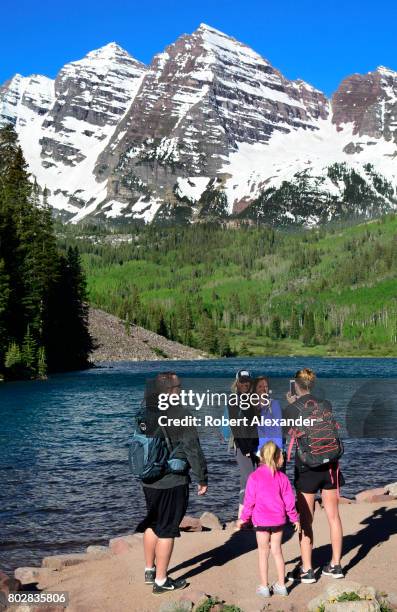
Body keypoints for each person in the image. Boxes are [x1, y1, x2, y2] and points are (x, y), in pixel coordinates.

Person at [135, 372, 208, 594]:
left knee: (153, 523)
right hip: (171, 480)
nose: (182, 391)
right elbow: (193, 449)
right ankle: (161, 581)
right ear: (171, 391)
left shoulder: (145, 411)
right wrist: (202, 477)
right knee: (167, 529)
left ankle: (149, 570)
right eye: (179, 387)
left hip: (148, 478)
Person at [285, 368, 344, 584]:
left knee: (306, 519)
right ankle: (336, 565)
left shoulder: (292, 408)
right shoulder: (326, 404)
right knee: (333, 516)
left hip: (307, 468)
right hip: (330, 465)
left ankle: (308, 570)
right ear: (312, 384)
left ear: (297, 386)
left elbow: (285, 433)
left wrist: (291, 404)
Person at [236, 441, 300, 598]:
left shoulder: (254, 477)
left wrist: (243, 518)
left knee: (263, 553)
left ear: (261, 457)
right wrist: (294, 518)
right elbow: (289, 501)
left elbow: (249, 501)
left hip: (261, 521)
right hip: (278, 520)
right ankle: (281, 585)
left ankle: (264, 587)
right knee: (277, 551)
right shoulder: (282, 477)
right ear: (278, 457)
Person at [228, 369, 259, 517]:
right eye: (242, 381)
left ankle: (249, 514)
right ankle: (244, 515)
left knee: (251, 479)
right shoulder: (234, 400)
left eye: (247, 381)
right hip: (242, 445)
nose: (245, 384)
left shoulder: (255, 398)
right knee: (248, 478)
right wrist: (245, 448)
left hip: (256, 444)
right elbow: (235, 426)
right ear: (237, 383)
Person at [252, 376, 284, 454]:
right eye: (260, 386)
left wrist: (278, 450)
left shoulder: (274, 404)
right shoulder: (251, 406)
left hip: (271, 448)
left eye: (265, 386)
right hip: (256, 449)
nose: (263, 389)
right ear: (255, 389)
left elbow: (278, 428)